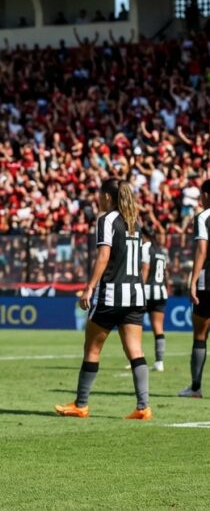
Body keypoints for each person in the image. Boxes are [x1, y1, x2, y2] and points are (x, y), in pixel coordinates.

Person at [55, 178, 151, 420]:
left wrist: (89, 287)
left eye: (100, 195)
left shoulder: (106, 220)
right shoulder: (135, 223)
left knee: (92, 348)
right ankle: (143, 406)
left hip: (111, 295)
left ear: (107, 196)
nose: (98, 199)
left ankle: (81, 404)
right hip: (135, 294)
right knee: (135, 350)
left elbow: (103, 257)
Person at [179, 179, 210, 398]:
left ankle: (196, 388)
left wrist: (193, 280)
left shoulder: (203, 217)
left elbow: (201, 250)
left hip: (207, 282)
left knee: (200, 335)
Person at [141, 227, 169, 372]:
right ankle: (159, 362)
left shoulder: (146, 248)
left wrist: (139, 288)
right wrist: (167, 288)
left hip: (147, 292)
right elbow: (165, 274)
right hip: (161, 291)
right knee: (158, 327)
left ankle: (137, 359)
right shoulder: (161, 251)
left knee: (135, 325)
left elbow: (145, 269)